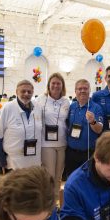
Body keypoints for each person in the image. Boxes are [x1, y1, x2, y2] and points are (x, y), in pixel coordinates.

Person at [35, 73, 70, 205]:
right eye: (53, 83)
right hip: (46, 144)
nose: (55, 85)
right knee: (48, 175)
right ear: (49, 85)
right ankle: (47, 203)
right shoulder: (40, 99)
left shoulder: (66, 101)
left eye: (58, 83)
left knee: (58, 177)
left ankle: (55, 205)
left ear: (62, 86)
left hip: (62, 143)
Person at [0, 80, 42, 171]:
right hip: (14, 164)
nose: (26, 94)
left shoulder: (38, 107)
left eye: (29, 92)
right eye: (23, 91)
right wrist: (1, 161)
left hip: (35, 162)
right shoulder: (7, 108)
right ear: (16, 92)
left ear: (32, 93)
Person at [65, 79, 103, 179]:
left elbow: (99, 129)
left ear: (89, 90)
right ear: (75, 91)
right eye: (79, 89)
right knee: (71, 180)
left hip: (88, 153)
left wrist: (92, 121)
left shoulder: (96, 108)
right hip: (71, 153)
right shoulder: (72, 107)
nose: (82, 91)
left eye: (85, 88)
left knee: (88, 181)